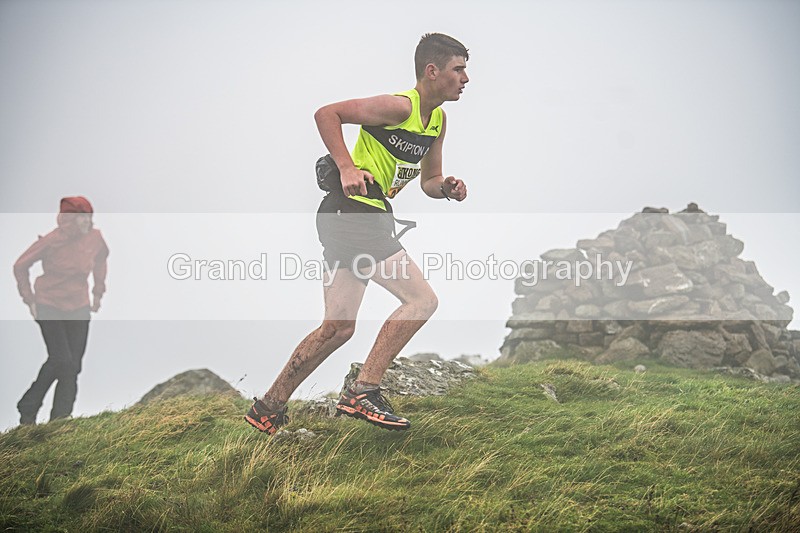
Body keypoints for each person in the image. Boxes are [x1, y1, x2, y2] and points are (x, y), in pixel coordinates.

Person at [246, 33, 469, 434]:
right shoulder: (400, 106)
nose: (465, 78)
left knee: (338, 328)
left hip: (353, 216)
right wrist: (347, 166)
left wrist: (446, 187)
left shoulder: (437, 121)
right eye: (459, 69)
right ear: (432, 71)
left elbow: (429, 180)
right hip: (354, 212)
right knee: (421, 300)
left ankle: (268, 408)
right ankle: (363, 392)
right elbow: (326, 114)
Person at [14, 196, 109, 425]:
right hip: (49, 304)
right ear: (69, 219)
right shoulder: (52, 240)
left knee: (73, 365)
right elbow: (20, 265)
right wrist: (29, 300)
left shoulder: (95, 238)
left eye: (89, 216)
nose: (87, 221)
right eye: (82, 217)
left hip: (79, 306)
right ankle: (28, 407)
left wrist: (97, 292)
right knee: (60, 358)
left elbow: (101, 259)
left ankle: (60, 420)